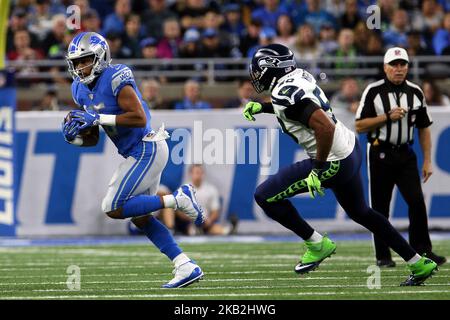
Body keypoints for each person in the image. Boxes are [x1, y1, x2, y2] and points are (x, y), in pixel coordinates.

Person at [243, 43, 438, 286]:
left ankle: (316, 244)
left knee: (263, 195)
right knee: (362, 212)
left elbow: (324, 126)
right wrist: (263, 107)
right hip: (349, 148)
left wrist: (317, 169)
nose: (256, 76)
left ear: (272, 69)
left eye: (258, 70)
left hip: (333, 160)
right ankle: (417, 262)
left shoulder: (285, 93)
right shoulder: (298, 77)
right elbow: (298, 109)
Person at [62, 32, 205, 288]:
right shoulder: (79, 90)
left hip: (146, 146)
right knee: (141, 218)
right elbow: (93, 137)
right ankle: (185, 265)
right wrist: (75, 137)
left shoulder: (116, 76)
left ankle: (178, 199)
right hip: (136, 151)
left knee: (112, 207)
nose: (80, 68)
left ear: (101, 56)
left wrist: (98, 119)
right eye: (76, 62)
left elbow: (139, 117)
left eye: (85, 60)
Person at [355, 47, 446, 267]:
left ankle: (423, 250)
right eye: (394, 65)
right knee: (380, 207)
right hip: (380, 153)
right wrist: (387, 117)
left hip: (406, 153)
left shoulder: (415, 92)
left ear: (407, 67)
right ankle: (383, 255)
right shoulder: (373, 91)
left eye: (402, 64)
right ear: (385, 67)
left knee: (416, 202)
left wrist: (427, 160)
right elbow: (359, 126)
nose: (399, 69)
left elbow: (424, 127)